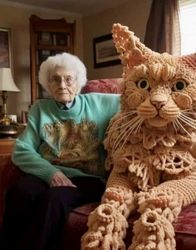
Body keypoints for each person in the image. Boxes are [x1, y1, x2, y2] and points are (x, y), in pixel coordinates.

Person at [0, 52, 120, 250]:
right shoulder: (40, 108)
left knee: (53, 200)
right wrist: (51, 173)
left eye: (68, 79)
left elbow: (135, 97)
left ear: (79, 81)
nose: (62, 85)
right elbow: (21, 150)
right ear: (47, 83)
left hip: (87, 179)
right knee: (20, 191)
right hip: (49, 174)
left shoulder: (101, 103)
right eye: (55, 79)